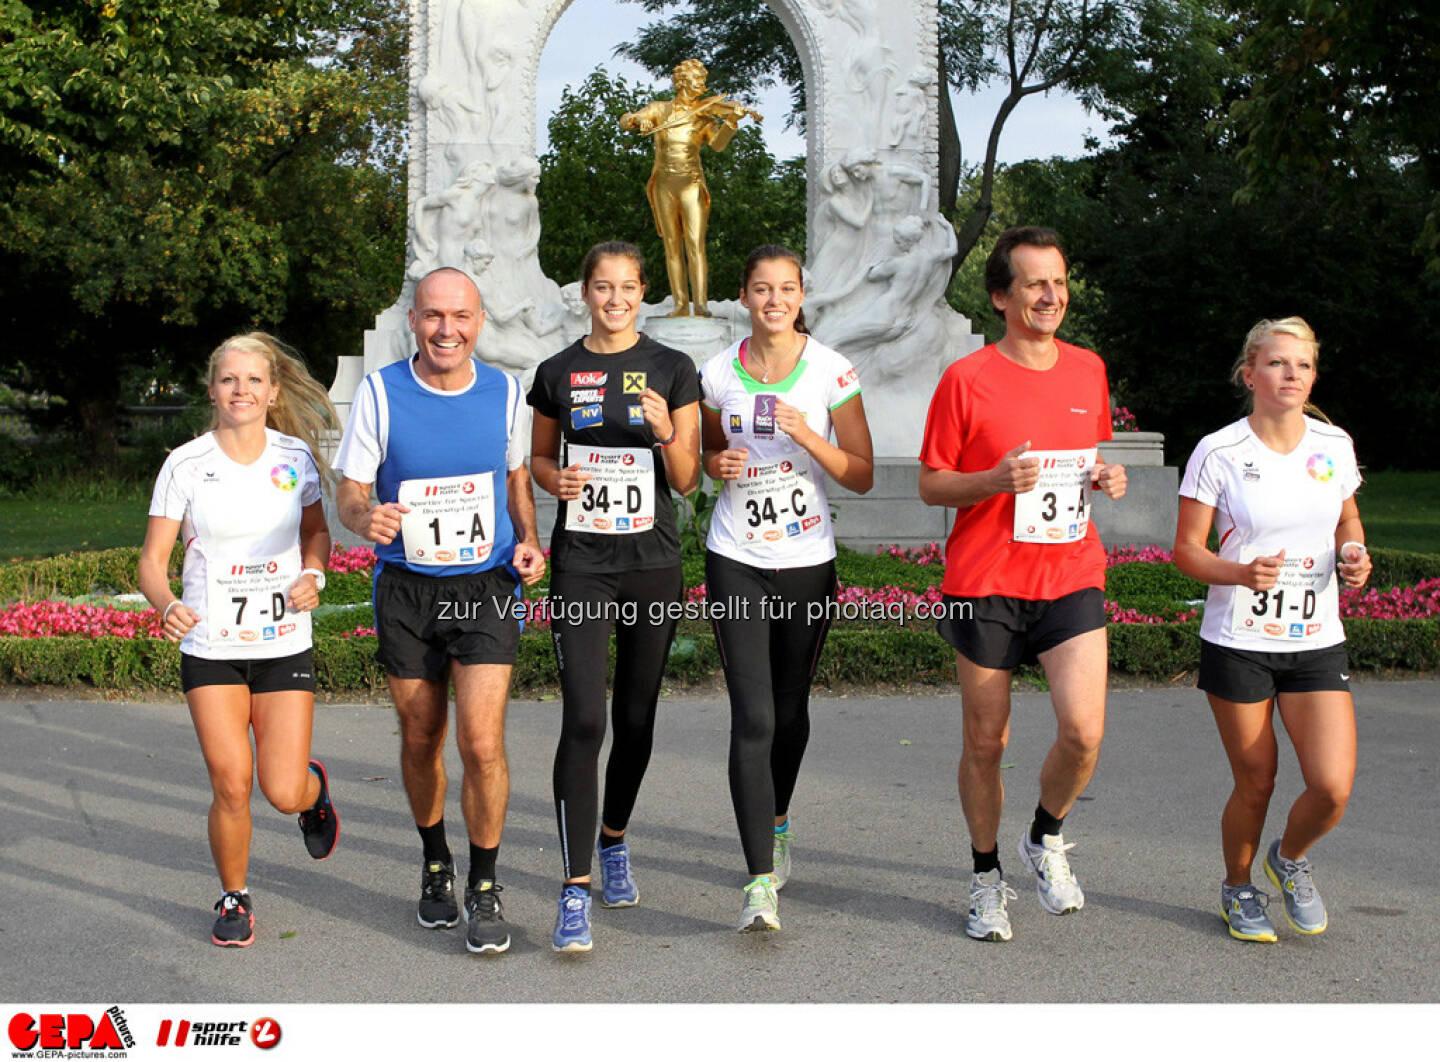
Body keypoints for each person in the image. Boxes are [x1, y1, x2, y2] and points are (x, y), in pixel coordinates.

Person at [918, 226, 1127, 943]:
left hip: (1069, 570)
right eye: (1036, 283)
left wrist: (1107, 476)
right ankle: (984, 877)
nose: (1051, 295)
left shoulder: (1087, 370)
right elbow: (931, 484)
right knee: (986, 741)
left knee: (1085, 729)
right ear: (1002, 296)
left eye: (1059, 282)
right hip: (986, 581)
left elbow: (1087, 461)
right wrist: (992, 481)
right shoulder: (965, 379)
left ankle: (1045, 835)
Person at [334, 267, 546, 955]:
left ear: (479, 321)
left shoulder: (507, 392)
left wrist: (530, 541)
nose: (446, 329)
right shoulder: (380, 393)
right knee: (421, 737)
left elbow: (516, 478)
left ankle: (484, 885)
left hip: (484, 584)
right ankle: (435, 862)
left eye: (459, 316)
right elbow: (351, 491)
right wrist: (366, 517)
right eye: (432, 316)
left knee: (481, 743)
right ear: (414, 321)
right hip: (407, 587)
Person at [138, 333, 341, 948]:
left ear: (273, 390)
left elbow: (317, 533)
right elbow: (151, 561)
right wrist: (167, 604)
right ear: (212, 389)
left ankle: (313, 793)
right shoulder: (186, 464)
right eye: (230, 380)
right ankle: (234, 895)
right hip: (211, 647)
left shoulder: (293, 458)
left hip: (282, 642)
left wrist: (314, 573)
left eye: (254, 380)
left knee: (279, 790)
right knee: (231, 783)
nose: (242, 391)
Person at [527, 241, 701, 952]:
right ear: (585, 292)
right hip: (583, 565)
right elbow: (540, 456)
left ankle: (614, 839)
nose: (616, 298)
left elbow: (687, 477)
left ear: (643, 293)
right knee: (583, 721)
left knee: (635, 718)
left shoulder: (672, 368)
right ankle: (573, 891)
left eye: (628, 287)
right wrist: (552, 480)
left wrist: (663, 432)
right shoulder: (557, 371)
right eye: (603, 286)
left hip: (652, 562)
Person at [1174, 317, 1371, 942]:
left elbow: (1349, 521)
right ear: (1249, 373)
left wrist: (1355, 554)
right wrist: (1239, 572)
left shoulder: (1333, 444)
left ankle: (1287, 859)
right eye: (1279, 363)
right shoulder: (1220, 450)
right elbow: (1186, 551)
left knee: (1333, 786)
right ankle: (1238, 889)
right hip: (1240, 640)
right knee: (1256, 780)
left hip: (1315, 637)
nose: (1293, 374)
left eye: (1303, 365)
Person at [700, 244, 874, 931]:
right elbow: (709, 458)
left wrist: (810, 435)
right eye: (762, 288)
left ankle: (776, 820)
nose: (775, 300)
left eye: (787, 289)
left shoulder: (831, 370)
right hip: (735, 554)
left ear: (802, 296)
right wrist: (719, 460)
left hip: (805, 558)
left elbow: (859, 473)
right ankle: (758, 884)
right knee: (753, 716)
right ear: (744, 296)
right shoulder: (718, 373)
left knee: (790, 709)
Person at [620, 59, 760, 317]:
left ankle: (701, 305)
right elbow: (627, 120)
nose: (703, 86)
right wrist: (638, 122)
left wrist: (731, 123)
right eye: (698, 80)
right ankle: (680, 305)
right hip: (664, 185)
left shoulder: (704, 115)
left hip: (691, 184)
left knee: (696, 244)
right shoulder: (660, 110)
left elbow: (717, 145)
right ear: (683, 82)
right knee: (672, 246)